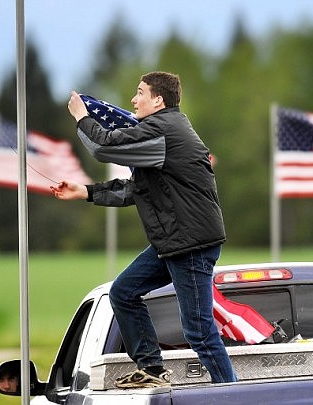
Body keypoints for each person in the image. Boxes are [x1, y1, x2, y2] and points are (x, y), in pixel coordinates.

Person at [51, 71, 237, 388]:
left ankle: (233, 395)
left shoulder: (163, 130)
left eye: (140, 93)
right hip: (175, 242)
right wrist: (86, 191)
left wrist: (82, 117)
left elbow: (102, 147)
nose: (133, 100)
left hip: (189, 244)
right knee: (123, 292)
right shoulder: (166, 131)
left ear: (158, 100)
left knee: (199, 332)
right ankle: (151, 368)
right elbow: (138, 189)